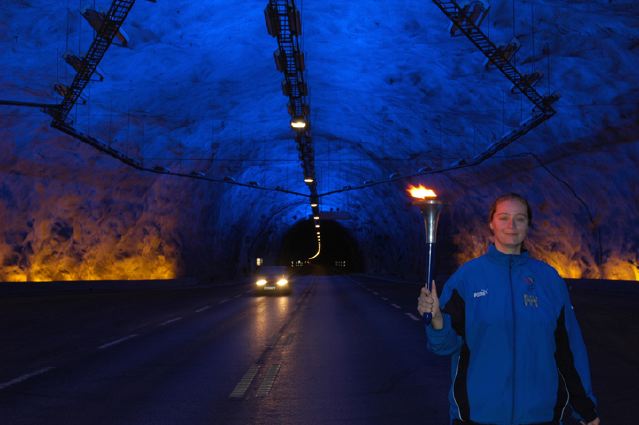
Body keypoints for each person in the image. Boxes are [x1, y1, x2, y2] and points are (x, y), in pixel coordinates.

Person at [417, 193, 600, 425]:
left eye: (520, 218)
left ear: (528, 225)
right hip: (479, 417)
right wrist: (437, 320)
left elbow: (569, 350)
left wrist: (585, 408)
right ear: (491, 224)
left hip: (540, 417)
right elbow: (443, 346)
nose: (511, 225)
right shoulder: (466, 279)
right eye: (503, 218)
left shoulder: (549, 280)